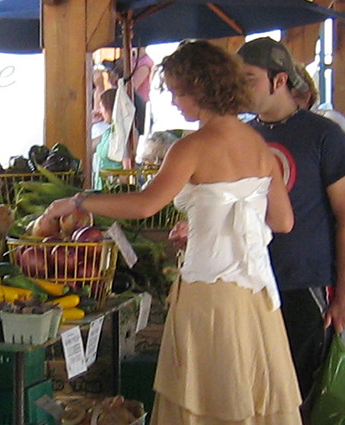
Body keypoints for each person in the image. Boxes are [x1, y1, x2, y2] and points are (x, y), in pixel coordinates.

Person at [42, 40, 299, 424]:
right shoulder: (259, 145)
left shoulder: (190, 147)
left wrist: (80, 201)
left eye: (178, 92)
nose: (176, 102)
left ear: (201, 90)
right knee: (249, 396)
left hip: (208, 291)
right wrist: (215, 219)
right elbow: (282, 222)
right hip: (256, 293)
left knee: (206, 396)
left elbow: (144, 205)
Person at [236, 37, 345, 410]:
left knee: (300, 393)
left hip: (304, 282)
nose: (240, 88)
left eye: (249, 78)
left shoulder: (324, 136)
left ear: (279, 81)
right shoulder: (241, 135)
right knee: (254, 390)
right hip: (248, 281)